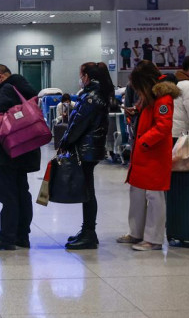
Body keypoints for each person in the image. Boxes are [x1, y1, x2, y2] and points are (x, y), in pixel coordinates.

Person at [118, 61, 178, 252]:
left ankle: (153, 238)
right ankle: (136, 232)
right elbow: (145, 111)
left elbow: (163, 127)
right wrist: (135, 111)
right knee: (136, 193)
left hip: (154, 154)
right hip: (143, 154)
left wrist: (144, 141)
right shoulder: (149, 96)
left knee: (154, 196)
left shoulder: (163, 98)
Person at [0, 64, 40, 250]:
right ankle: (22, 236)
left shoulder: (6, 88)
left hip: (7, 150)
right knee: (22, 191)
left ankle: (6, 237)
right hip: (25, 147)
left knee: (8, 195)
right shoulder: (25, 88)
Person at [61, 62, 115, 250]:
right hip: (90, 148)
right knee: (87, 190)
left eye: (81, 75)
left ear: (87, 77)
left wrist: (65, 142)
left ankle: (89, 233)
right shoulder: (99, 94)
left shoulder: (91, 97)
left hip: (87, 149)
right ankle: (87, 231)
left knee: (88, 193)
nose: (80, 78)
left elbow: (78, 123)